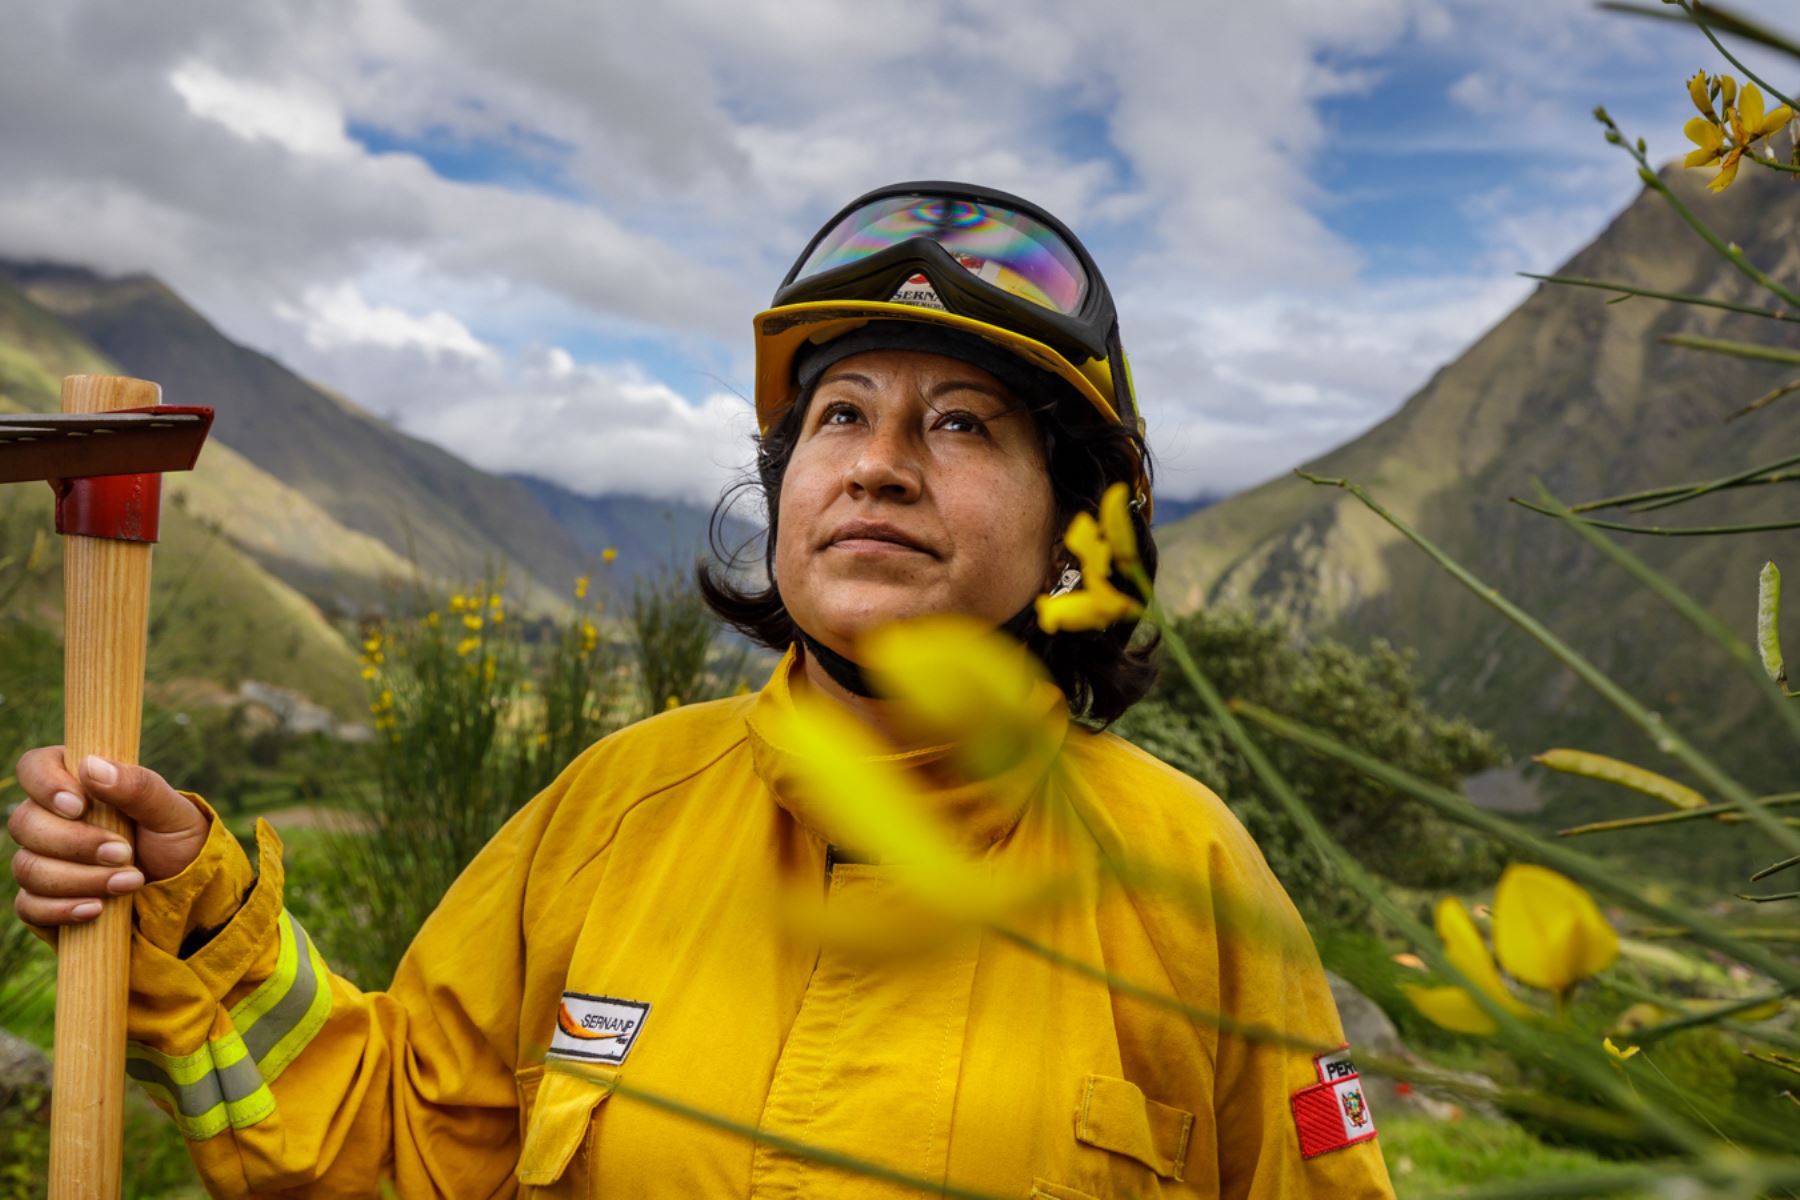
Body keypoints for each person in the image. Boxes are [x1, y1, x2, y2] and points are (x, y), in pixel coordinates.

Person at [8, 182, 1395, 1198]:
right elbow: (389, 1146)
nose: (879, 462)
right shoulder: (613, 815)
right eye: (840, 414)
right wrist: (191, 919)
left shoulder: (1193, 882)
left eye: (961, 424)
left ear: (1075, 527)